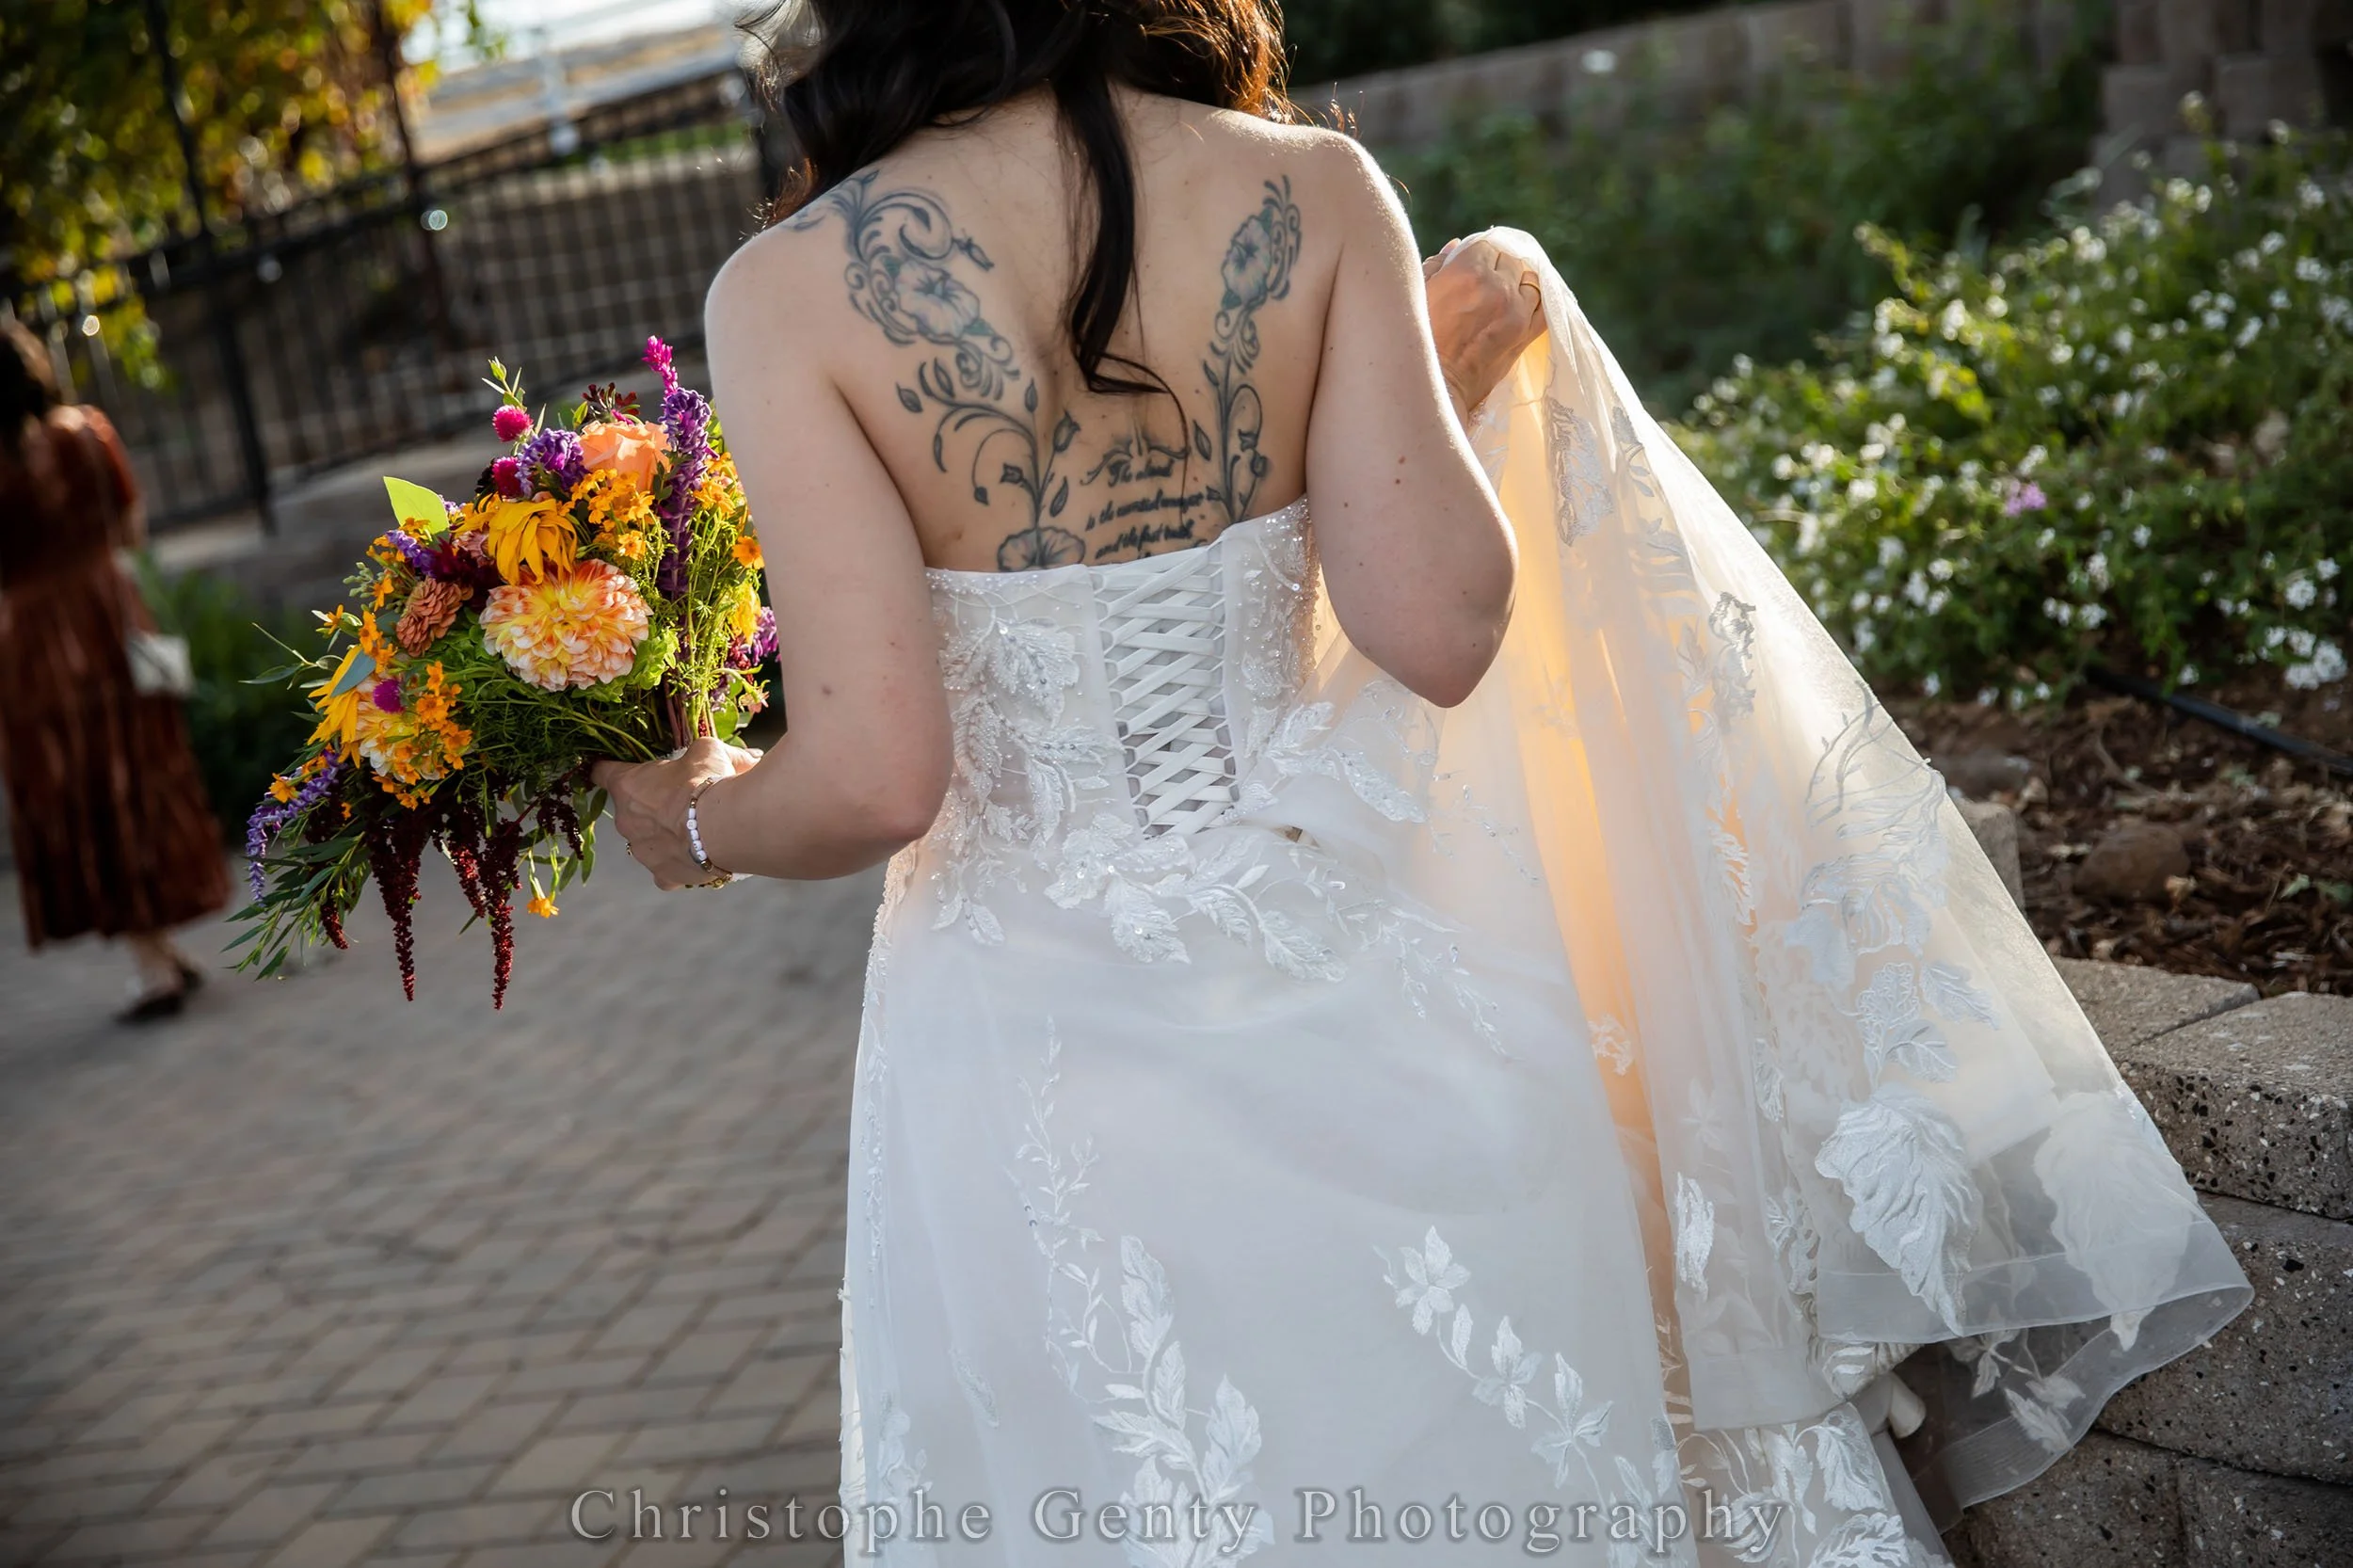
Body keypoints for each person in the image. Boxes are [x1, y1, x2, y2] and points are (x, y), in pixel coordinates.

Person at [592, 4, 2249, 1560]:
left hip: (1038, 1073)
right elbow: (1440, 623)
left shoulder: (789, 290)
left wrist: (692, 817)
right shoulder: (1309, 190)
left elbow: (877, 776)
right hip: (1376, 984)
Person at [0, 315, 228, 1020]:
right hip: (117, 618)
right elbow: (131, 529)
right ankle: (165, 951)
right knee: (142, 771)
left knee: (84, 792)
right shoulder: (88, 434)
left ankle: (154, 965)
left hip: (38, 647)